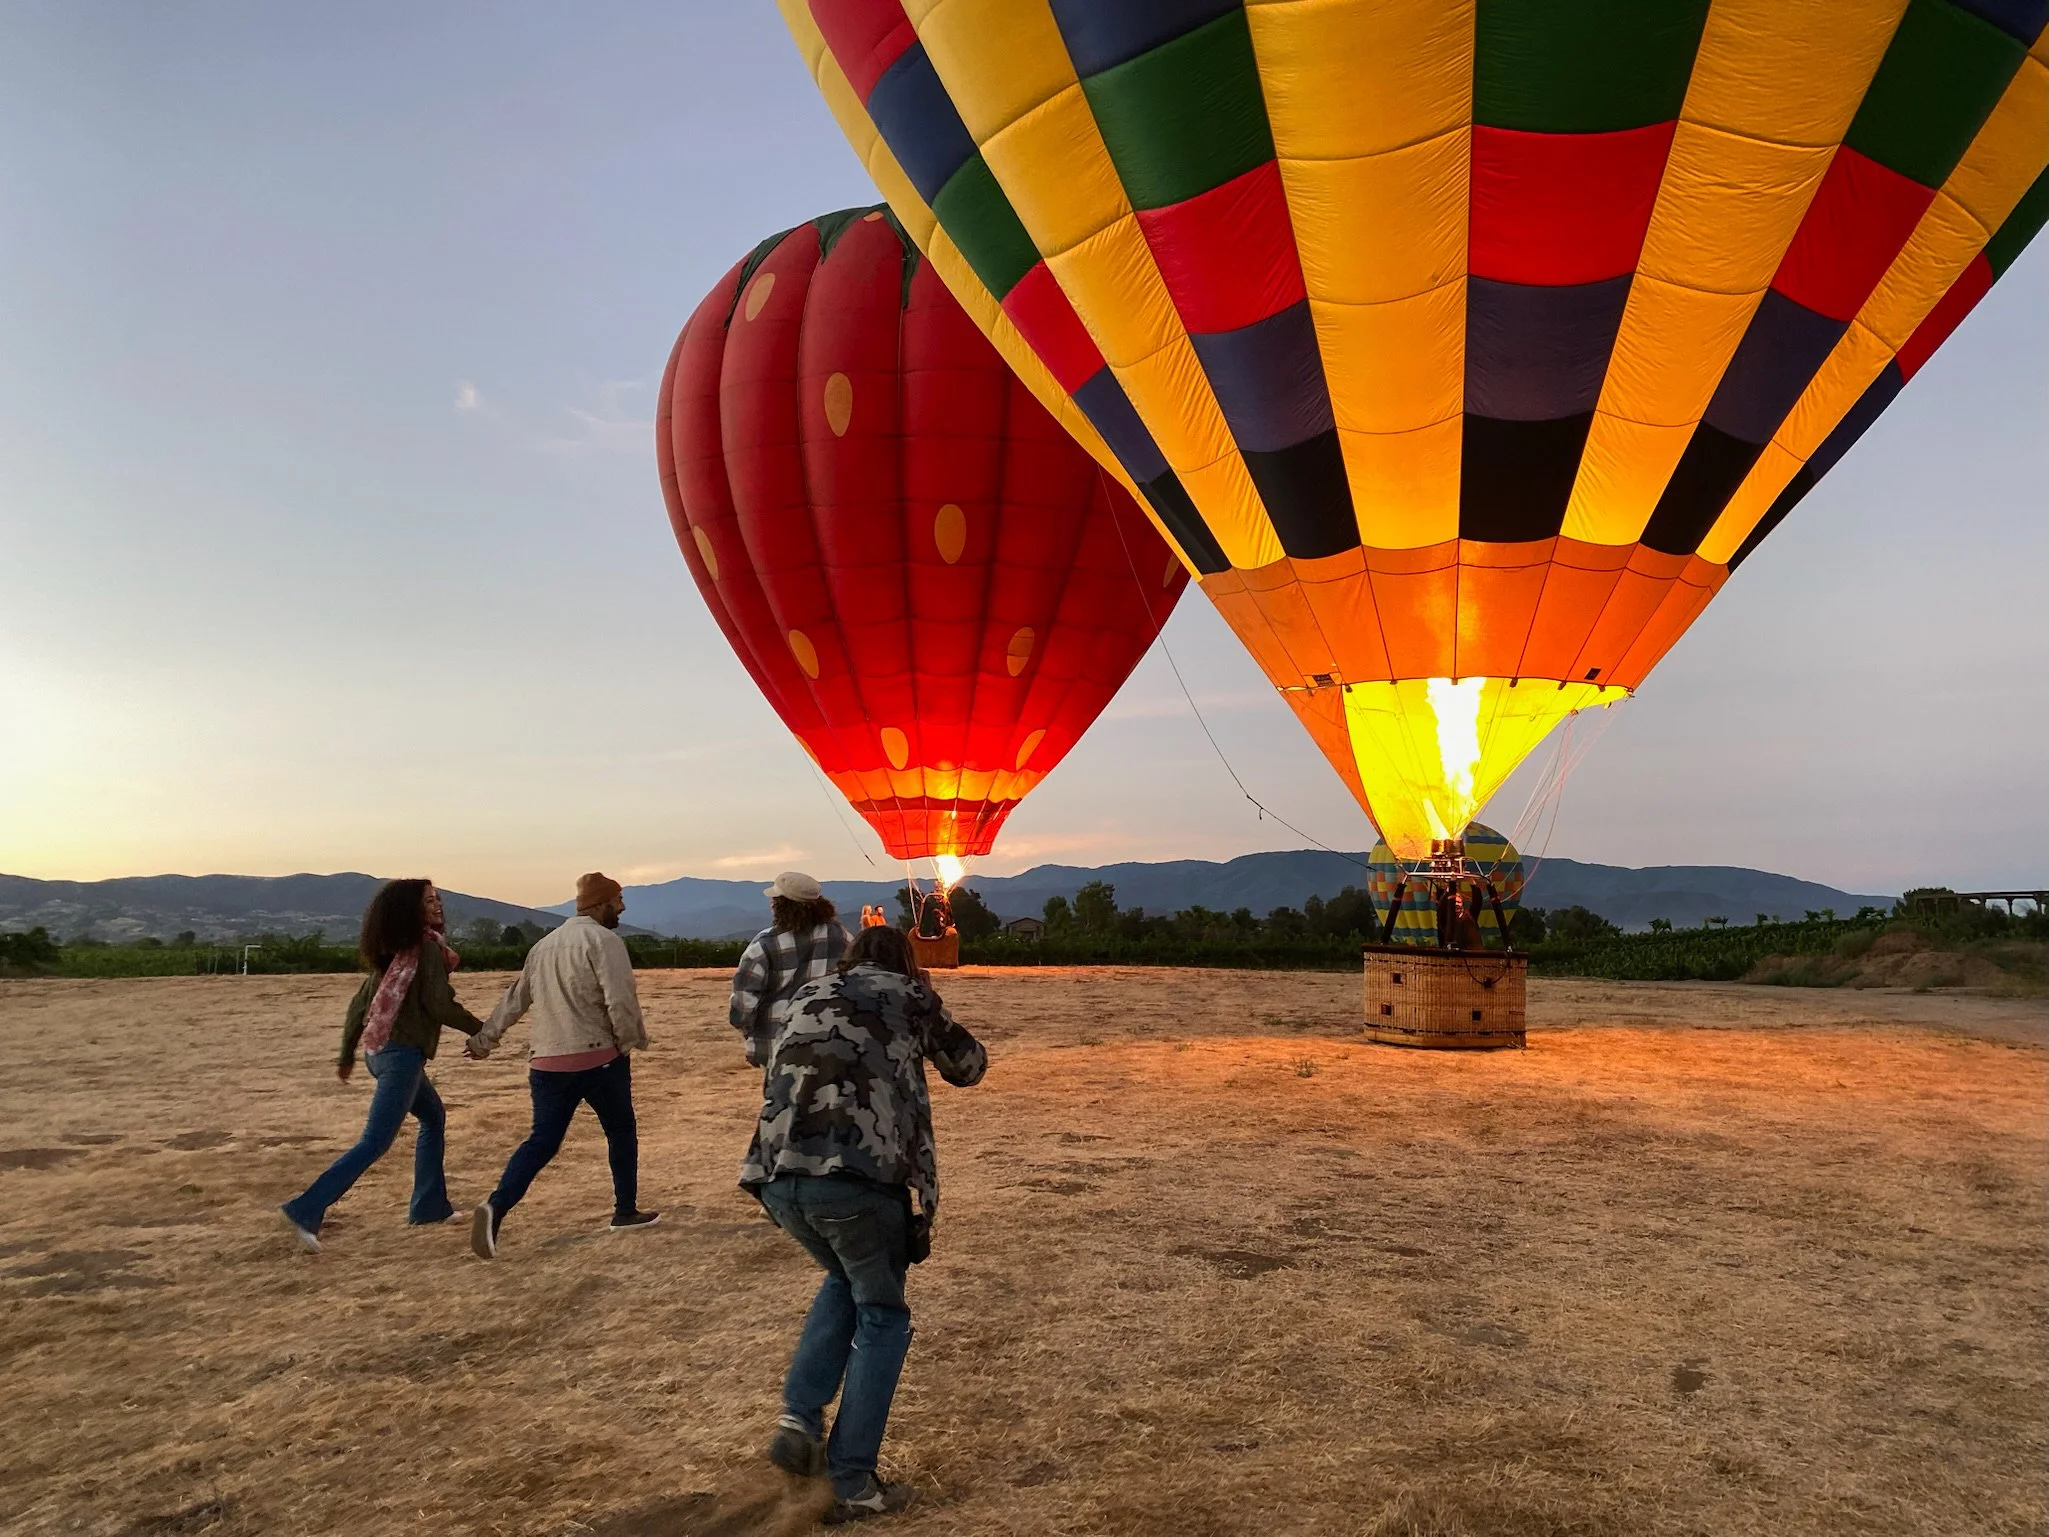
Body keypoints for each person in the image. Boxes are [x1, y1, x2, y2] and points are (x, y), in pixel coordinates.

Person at [742, 924, 987, 1523]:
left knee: (846, 1278)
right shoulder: (911, 995)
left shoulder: (807, 994)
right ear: (905, 963)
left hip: (778, 1179)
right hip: (857, 1179)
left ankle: (799, 1417)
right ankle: (852, 1481)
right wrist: (924, 996)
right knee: (882, 1314)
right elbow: (970, 1066)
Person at [279, 879, 481, 1252]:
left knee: (434, 1118)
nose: (437, 905)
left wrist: (348, 1055)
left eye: (438, 899)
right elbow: (439, 1004)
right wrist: (481, 1030)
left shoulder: (397, 953)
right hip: (401, 1057)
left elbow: (359, 1007)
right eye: (428, 901)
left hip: (380, 1052)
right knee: (375, 1141)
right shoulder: (427, 952)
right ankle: (306, 1207)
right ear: (409, 910)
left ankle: (429, 1206)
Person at [465, 872, 657, 1258]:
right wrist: (628, 1042)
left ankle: (496, 1207)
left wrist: (485, 1039)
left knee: (542, 1141)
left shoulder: (544, 946)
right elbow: (619, 999)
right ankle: (624, 1210)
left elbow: (516, 998)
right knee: (620, 1130)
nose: (622, 908)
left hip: (547, 1062)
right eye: (618, 901)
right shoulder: (606, 941)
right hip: (599, 1056)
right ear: (602, 903)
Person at [729, 871, 853, 1067]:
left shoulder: (764, 945)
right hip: (832, 1041)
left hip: (777, 1045)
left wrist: (751, 1031)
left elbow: (743, 1003)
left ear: (780, 905)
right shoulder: (842, 937)